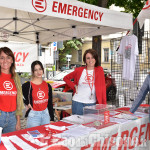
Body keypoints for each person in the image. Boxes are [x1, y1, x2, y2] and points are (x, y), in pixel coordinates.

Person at [63, 49, 106, 115]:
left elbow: (102, 88)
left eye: (92, 57)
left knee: (90, 124)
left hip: (92, 103)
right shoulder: (79, 70)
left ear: (95, 58)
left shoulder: (99, 70)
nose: (90, 60)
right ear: (85, 60)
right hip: (78, 102)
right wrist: (74, 86)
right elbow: (65, 78)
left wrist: (103, 104)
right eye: (88, 58)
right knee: (77, 124)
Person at [22, 60, 54, 128]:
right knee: (33, 137)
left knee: (46, 136)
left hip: (45, 114)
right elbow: (20, 96)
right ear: (33, 72)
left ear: (43, 70)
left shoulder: (47, 86)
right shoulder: (27, 85)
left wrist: (52, 118)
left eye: (40, 69)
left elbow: (50, 103)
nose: (38, 72)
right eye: (36, 70)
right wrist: (27, 103)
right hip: (34, 115)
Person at [0, 47, 24, 133]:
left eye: (8, 57)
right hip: (0, 115)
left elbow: (18, 101)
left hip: (12, 118)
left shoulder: (16, 78)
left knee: (10, 144)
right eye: (2, 58)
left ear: (12, 60)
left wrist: (18, 121)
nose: (5, 61)